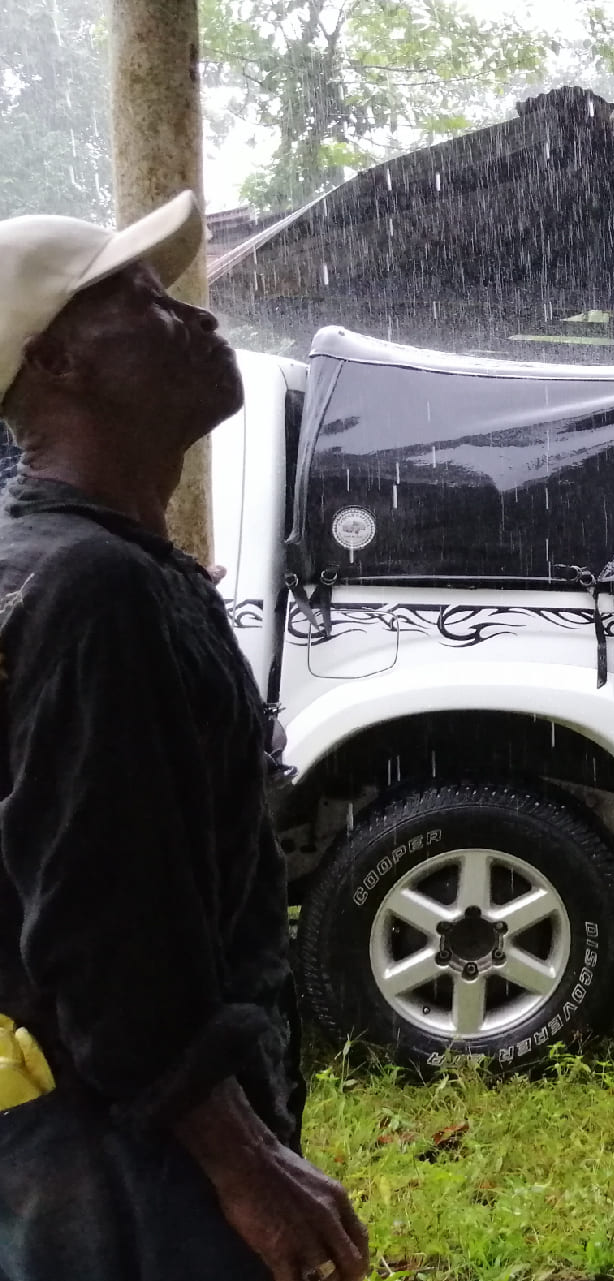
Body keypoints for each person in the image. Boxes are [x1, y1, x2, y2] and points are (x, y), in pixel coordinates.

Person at [0, 196, 370, 1281]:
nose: (197, 317)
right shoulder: (94, 587)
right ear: (58, 361)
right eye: (141, 300)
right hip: (128, 1164)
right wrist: (244, 1163)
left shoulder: (74, 566)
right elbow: (106, 926)